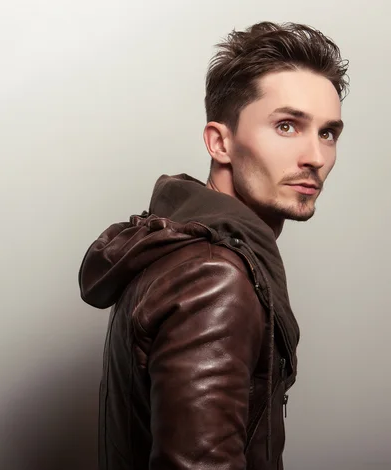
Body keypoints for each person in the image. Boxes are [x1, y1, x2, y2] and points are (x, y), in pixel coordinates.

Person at [78, 21, 349, 470]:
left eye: (327, 133)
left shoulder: (181, 244)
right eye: (287, 126)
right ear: (220, 142)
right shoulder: (215, 276)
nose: (316, 158)